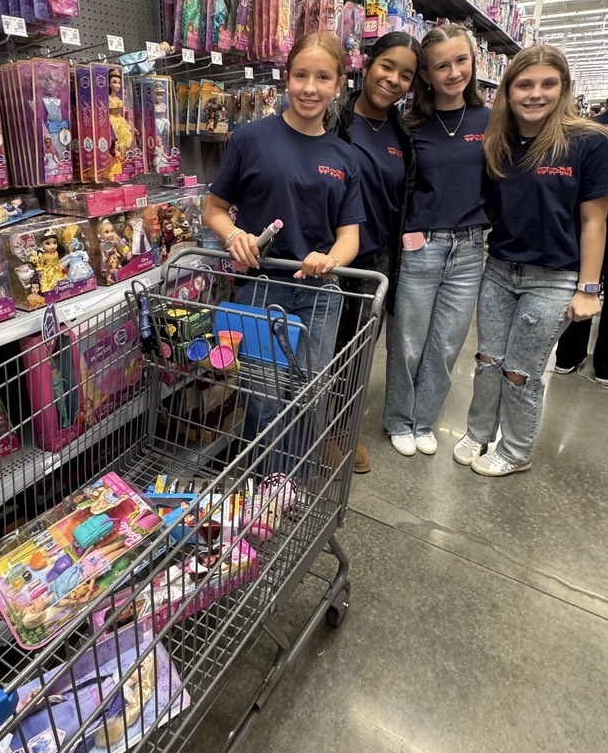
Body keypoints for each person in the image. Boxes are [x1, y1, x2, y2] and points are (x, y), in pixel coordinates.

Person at [453, 45, 608, 477]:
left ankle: (515, 449)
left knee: (520, 371)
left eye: (548, 84)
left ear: (564, 88)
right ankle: (478, 431)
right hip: (499, 268)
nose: (535, 94)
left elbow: (595, 221)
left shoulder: (589, 142)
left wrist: (588, 288)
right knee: (488, 360)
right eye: (524, 84)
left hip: (553, 278)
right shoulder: (499, 142)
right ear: (507, 90)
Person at [203, 32, 364, 469]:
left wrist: (331, 259)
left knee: (308, 394)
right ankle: (265, 488)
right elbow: (214, 208)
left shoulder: (346, 158)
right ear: (286, 77)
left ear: (339, 83)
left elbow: (349, 235)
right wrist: (232, 235)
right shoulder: (251, 138)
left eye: (322, 77)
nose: (310, 87)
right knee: (264, 398)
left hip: (321, 295)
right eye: (300, 75)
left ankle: (289, 481)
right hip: (260, 290)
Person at [384, 23, 490, 457]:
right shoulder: (409, 126)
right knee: (407, 342)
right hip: (419, 246)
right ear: (425, 74)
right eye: (441, 66)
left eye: (461, 61)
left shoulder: (492, 121)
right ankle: (398, 419)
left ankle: (424, 420)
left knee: (447, 344)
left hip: (469, 250)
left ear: (472, 62)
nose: (453, 73)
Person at [333, 32, 421, 473]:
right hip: (330, 256)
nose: (394, 80)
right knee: (322, 346)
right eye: (388, 66)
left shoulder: (400, 134)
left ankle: (341, 430)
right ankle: (311, 427)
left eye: (406, 75)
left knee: (357, 351)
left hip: (377, 260)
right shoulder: (335, 117)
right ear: (367, 64)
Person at [553, 55, 608, 383]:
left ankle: (567, 358)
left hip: (588, 204)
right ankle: (607, 367)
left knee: (584, 281)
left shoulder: (595, 122)